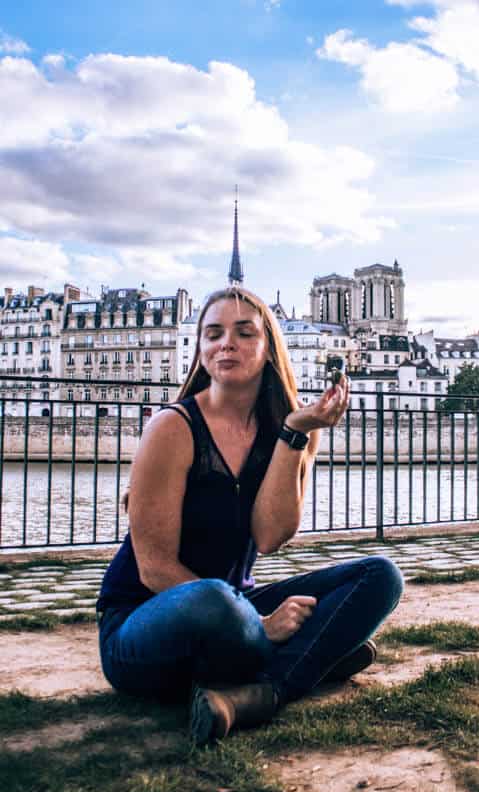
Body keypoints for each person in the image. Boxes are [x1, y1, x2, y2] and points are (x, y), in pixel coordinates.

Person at [96, 286, 403, 745]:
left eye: (244, 333)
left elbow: (269, 536)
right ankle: (309, 657)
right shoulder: (173, 427)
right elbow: (154, 568)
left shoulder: (292, 428)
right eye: (213, 333)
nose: (226, 344)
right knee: (213, 598)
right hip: (144, 624)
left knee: (381, 575)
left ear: (268, 348)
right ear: (200, 350)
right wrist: (259, 625)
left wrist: (294, 434)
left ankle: (259, 691)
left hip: (235, 611)